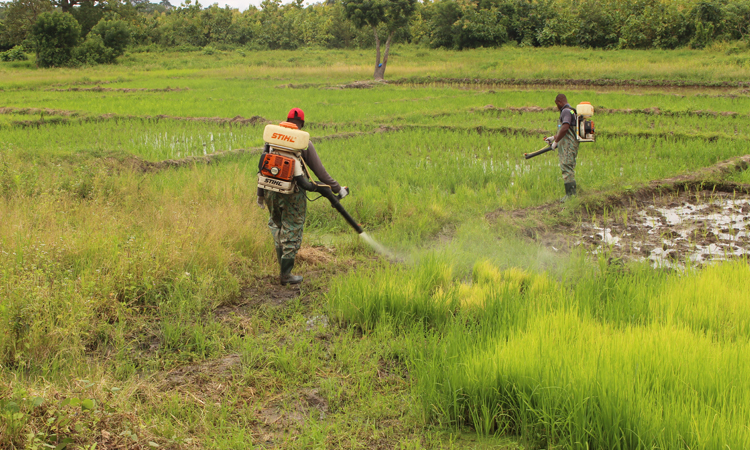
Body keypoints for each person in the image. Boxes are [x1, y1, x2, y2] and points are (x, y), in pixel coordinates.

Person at [257, 107, 348, 286]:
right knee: (292, 228)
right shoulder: (303, 142)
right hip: (293, 192)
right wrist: (337, 189)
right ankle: (286, 275)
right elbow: (320, 173)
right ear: (303, 124)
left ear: (286, 120)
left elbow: (262, 167)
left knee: (277, 224)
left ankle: (282, 268)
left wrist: (260, 195)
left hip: (269, 190)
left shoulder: (272, 139)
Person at [545, 94, 579, 202]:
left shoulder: (565, 111)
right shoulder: (572, 111)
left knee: (566, 166)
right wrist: (553, 138)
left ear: (559, 102)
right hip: (571, 143)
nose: (556, 107)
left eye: (556, 104)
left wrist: (556, 142)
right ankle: (572, 194)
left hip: (568, 145)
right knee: (568, 167)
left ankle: (570, 195)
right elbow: (568, 131)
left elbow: (565, 127)